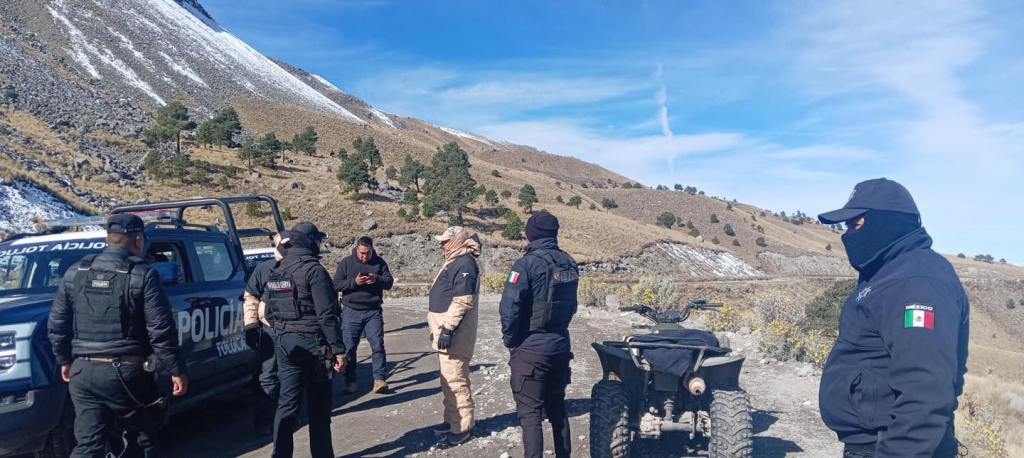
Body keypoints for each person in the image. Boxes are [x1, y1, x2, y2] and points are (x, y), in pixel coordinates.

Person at [817, 178, 969, 458]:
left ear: (886, 221)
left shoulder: (917, 280)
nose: (847, 234)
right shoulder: (889, 273)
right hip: (876, 442)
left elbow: (925, 392)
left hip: (891, 445)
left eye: (855, 224)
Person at [48, 214, 188, 457]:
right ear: (137, 241)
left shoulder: (75, 272)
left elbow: (57, 324)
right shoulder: (142, 274)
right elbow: (161, 330)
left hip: (83, 371)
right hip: (127, 373)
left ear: (108, 239)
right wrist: (175, 370)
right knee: (144, 439)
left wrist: (64, 360)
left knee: (88, 445)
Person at [499, 212, 579, 458]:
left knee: (530, 415)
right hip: (560, 344)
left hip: (532, 348)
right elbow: (572, 306)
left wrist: (511, 341)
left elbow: (510, 307)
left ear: (530, 233)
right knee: (557, 409)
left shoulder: (526, 264)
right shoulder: (569, 262)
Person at [267, 222, 346, 458]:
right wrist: (338, 350)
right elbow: (327, 314)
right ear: (311, 242)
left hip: (285, 345)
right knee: (319, 407)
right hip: (314, 346)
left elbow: (270, 313)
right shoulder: (314, 271)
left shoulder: (277, 270)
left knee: (287, 405)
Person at [427, 226, 481, 445]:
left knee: (456, 382)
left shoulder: (465, 263)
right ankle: (451, 420)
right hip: (446, 332)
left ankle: (462, 428)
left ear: (457, 241)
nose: (441, 244)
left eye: (445, 241)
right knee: (448, 380)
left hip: (455, 334)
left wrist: (448, 329)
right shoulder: (456, 260)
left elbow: (462, 301)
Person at [333, 236, 395, 394]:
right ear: (356, 249)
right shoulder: (346, 263)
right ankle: (350, 381)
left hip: (373, 310)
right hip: (351, 311)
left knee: (377, 345)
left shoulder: (379, 262)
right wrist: (354, 282)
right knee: (349, 348)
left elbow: (389, 282)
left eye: (367, 253)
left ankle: (379, 380)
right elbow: (336, 284)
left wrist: (377, 279)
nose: (364, 256)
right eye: (361, 253)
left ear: (372, 249)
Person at [243, 232, 288, 435]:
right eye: (285, 245)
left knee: (290, 375)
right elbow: (251, 297)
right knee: (267, 376)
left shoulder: (302, 267)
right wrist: (251, 326)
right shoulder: (264, 269)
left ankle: (287, 417)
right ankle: (264, 421)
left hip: (295, 330)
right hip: (269, 331)